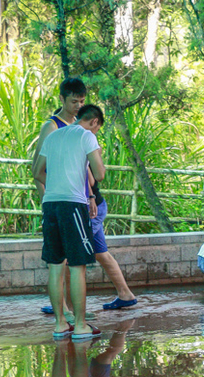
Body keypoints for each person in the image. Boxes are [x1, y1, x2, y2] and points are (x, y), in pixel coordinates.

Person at [33, 78, 137, 316]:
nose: (78, 106)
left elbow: (89, 173)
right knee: (76, 257)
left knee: (77, 258)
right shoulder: (53, 128)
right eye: (73, 101)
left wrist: (89, 196)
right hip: (64, 203)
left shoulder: (82, 130)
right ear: (62, 99)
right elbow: (39, 170)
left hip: (84, 201)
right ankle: (70, 308)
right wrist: (49, 202)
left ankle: (74, 308)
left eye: (81, 101)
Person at [33, 104, 107, 341]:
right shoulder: (86, 136)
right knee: (77, 266)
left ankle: (60, 324)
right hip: (73, 205)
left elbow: (37, 172)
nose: (95, 133)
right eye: (97, 129)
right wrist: (97, 156)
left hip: (51, 204)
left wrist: (56, 182)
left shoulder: (53, 136)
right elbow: (99, 175)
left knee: (55, 265)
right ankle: (81, 326)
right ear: (94, 122)